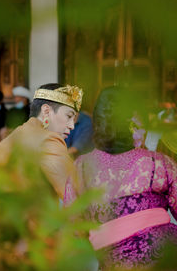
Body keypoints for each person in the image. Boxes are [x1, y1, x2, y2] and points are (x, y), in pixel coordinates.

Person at [64, 86, 177, 270]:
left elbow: (74, 230)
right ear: (132, 123)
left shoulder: (81, 169)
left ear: (97, 123)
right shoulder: (159, 163)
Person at [0, 83, 83, 199]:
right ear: (46, 111)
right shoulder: (48, 139)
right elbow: (76, 197)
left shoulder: (12, 137)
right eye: (69, 116)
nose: (72, 126)